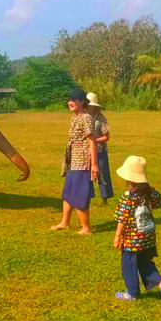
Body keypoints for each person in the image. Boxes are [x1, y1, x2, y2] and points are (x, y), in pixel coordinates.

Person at [112, 156, 161, 302]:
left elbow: (122, 218)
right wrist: (150, 190)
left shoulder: (128, 197)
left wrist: (117, 236)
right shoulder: (150, 192)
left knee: (128, 263)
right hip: (148, 236)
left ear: (128, 179)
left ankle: (132, 293)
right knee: (144, 262)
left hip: (132, 239)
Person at [51, 88, 99, 235]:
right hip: (72, 161)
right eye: (69, 100)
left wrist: (94, 164)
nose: (70, 102)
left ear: (82, 101)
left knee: (79, 194)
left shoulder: (86, 118)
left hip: (83, 162)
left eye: (73, 100)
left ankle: (86, 228)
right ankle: (65, 222)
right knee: (67, 193)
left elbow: (92, 142)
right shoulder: (74, 117)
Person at [86, 92, 113, 205]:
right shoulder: (82, 117)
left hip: (99, 149)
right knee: (86, 173)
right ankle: (87, 197)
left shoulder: (101, 118)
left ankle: (105, 198)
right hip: (85, 150)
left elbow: (106, 137)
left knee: (102, 173)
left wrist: (94, 141)